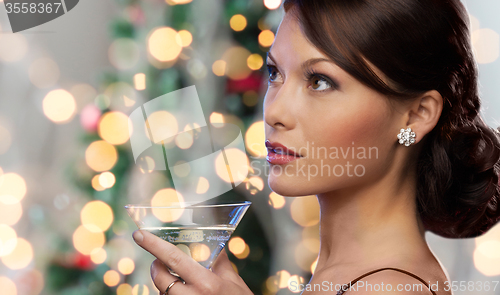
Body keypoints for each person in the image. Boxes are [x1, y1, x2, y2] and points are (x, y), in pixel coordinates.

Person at [132, 0, 500, 294]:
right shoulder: (346, 274)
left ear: (416, 116)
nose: (274, 111)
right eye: (275, 73)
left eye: (320, 81)